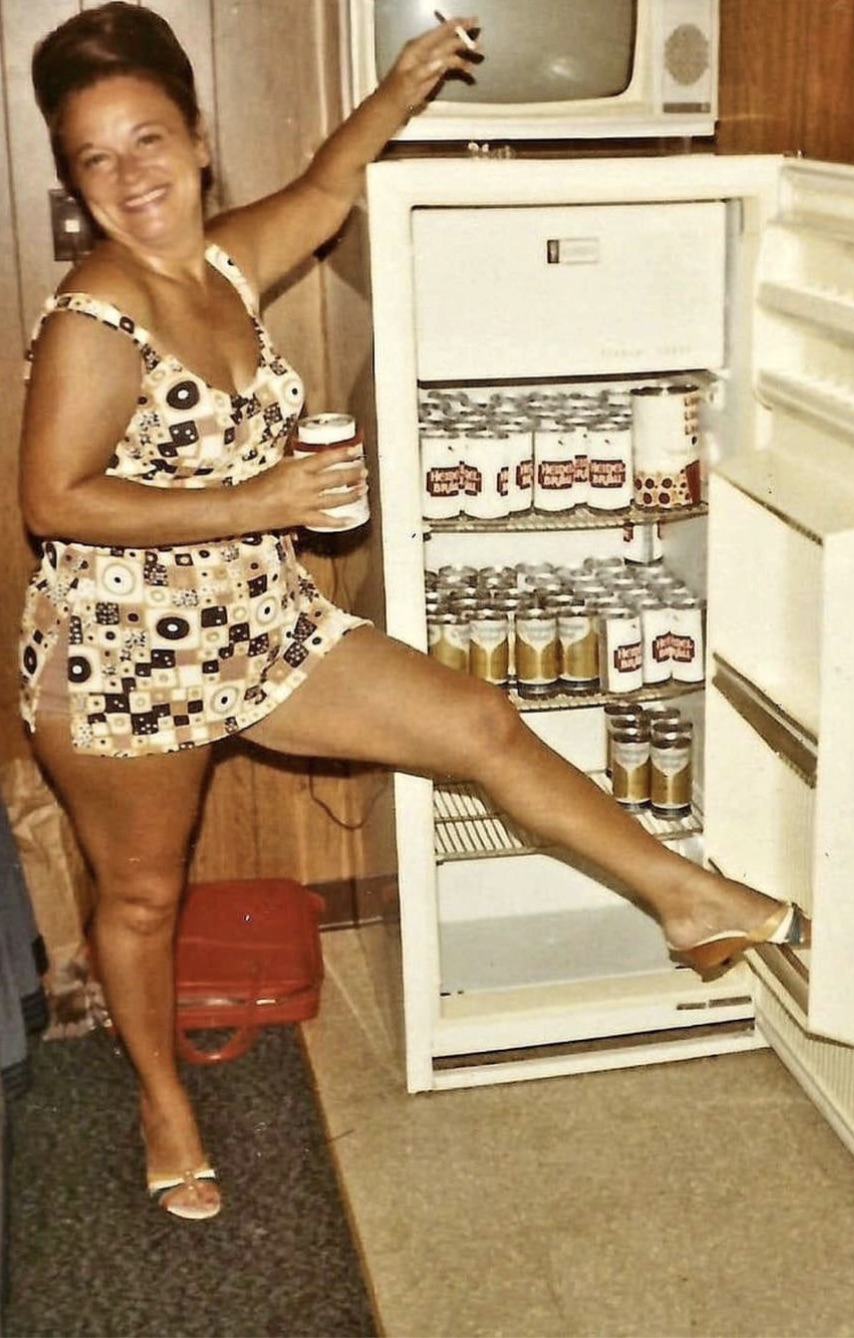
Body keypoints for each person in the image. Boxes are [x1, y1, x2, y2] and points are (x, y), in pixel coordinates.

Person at [18, 2, 808, 1222]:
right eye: (96, 158)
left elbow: (327, 188)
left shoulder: (220, 263)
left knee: (479, 724)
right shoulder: (94, 316)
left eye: (149, 140)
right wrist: (263, 498)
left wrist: (402, 87)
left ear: (199, 140)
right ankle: (163, 1105)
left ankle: (685, 900)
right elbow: (55, 499)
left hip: (258, 624)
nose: (130, 177)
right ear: (74, 181)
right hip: (125, 656)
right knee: (142, 897)